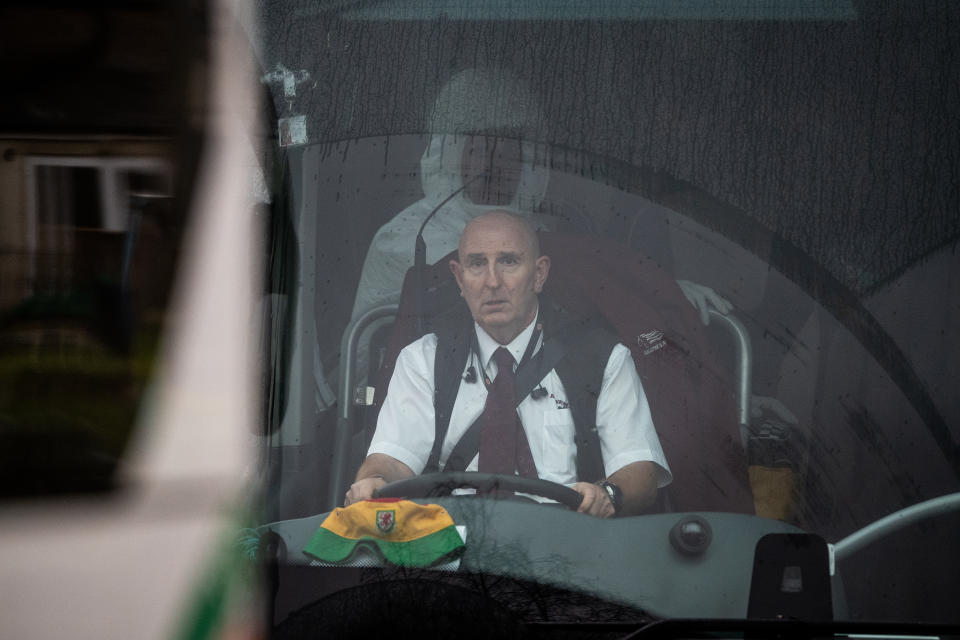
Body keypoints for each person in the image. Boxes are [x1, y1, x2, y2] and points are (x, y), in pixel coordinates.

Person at [346, 211, 672, 518]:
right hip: (448, 546)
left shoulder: (603, 359)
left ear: (539, 274)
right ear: (459, 279)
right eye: (477, 264)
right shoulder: (422, 359)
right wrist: (373, 481)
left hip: (567, 544)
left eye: (509, 261)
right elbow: (392, 460)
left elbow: (639, 470)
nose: (492, 281)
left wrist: (607, 495)